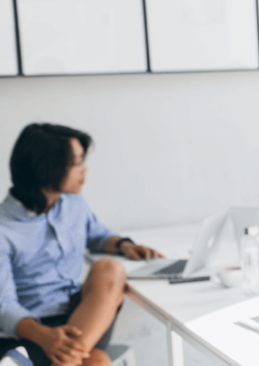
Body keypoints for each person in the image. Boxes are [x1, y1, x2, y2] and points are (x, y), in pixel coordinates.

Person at [0, 123, 164, 366]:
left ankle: (66, 359)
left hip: (81, 317)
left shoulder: (74, 206)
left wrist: (123, 245)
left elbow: (97, 235)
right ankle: (69, 358)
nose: (84, 170)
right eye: (76, 164)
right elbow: (4, 307)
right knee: (96, 361)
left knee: (109, 269)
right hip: (29, 331)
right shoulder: (4, 228)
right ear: (47, 167)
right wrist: (46, 337)